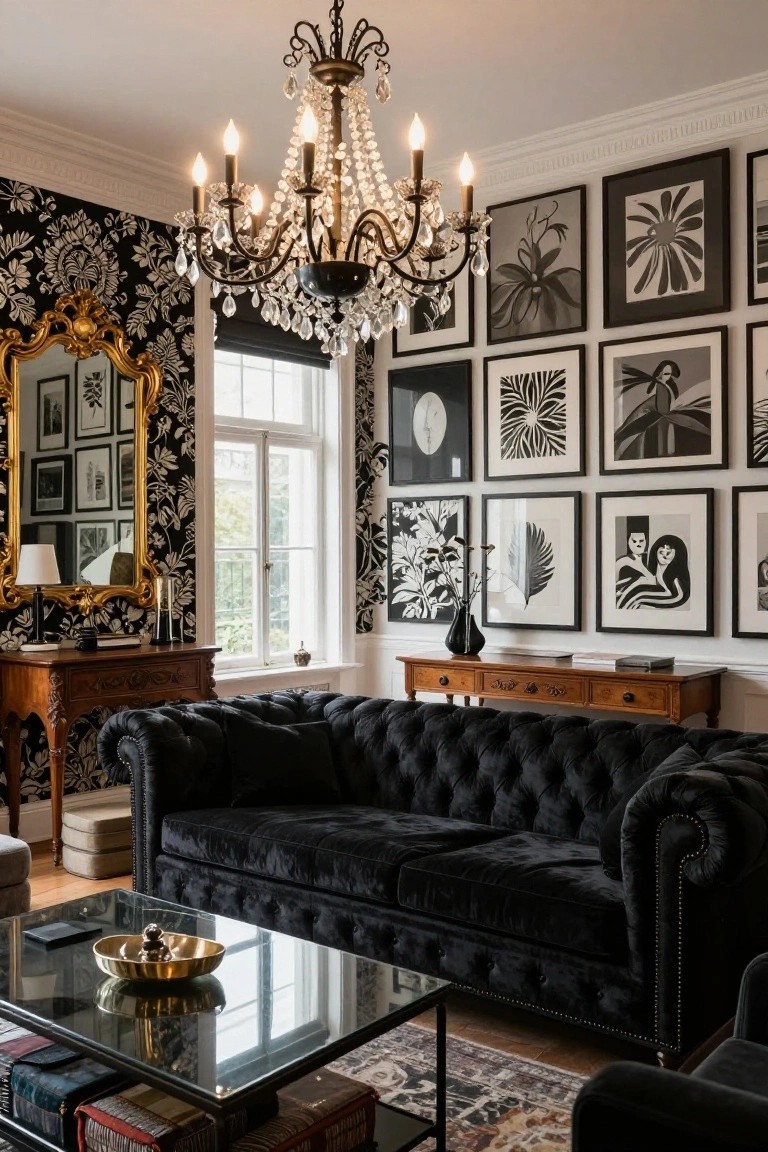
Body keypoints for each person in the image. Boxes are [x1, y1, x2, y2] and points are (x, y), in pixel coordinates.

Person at [622, 534, 690, 610]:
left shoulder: (676, 580)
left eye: (668, 552)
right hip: (662, 591)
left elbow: (671, 592)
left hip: (677, 596)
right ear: (656, 551)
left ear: (676, 554)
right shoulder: (656, 569)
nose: (665, 555)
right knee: (634, 593)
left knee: (638, 597)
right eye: (661, 551)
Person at [615, 516, 652, 608]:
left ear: (646, 542)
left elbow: (652, 582)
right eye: (634, 541)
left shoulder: (650, 562)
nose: (638, 544)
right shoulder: (621, 562)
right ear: (628, 542)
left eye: (641, 541)